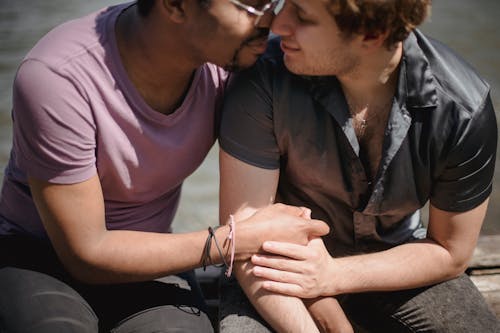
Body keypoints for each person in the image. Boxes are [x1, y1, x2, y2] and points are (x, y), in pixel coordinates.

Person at [0, 0, 331, 332]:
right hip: (39, 257)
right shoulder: (58, 78)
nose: (273, 21)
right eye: (255, 4)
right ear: (175, 5)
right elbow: (85, 252)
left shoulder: (235, 60)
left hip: (152, 254)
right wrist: (232, 240)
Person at [218, 0, 500, 332]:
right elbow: (247, 238)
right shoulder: (263, 77)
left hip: (397, 256)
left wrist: (331, 276)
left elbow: (451, 252)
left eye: (303, 16)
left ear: (372, 35)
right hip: (273, 264)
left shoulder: (462, 110)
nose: (278, 25)